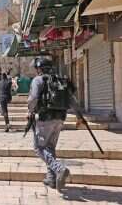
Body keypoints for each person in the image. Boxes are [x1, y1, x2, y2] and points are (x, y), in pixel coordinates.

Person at [28, 58, 83, 192]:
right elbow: (72, 99)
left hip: (45, 118)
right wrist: (79, 116)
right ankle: (51, 179)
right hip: (60, 119)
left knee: (39, 148)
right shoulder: (60, 80)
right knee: (50, 148)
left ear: (39, 68)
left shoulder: (38, 80)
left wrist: (30, 110)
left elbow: (34, 98)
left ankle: (60, 169)